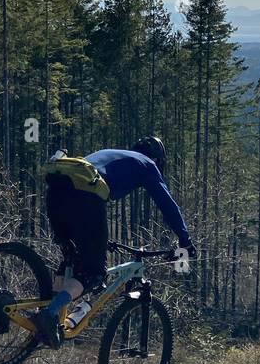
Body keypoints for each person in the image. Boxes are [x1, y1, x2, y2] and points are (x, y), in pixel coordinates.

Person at [32, 136, 194, 348]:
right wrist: (185, 240)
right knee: (93, 273)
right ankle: (50, 314)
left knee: (72, 258)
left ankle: (44, 316)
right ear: (157, 158)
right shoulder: (148, 164)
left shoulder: (112, 152)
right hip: (85, 199)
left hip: (56, 195)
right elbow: (167, 204)